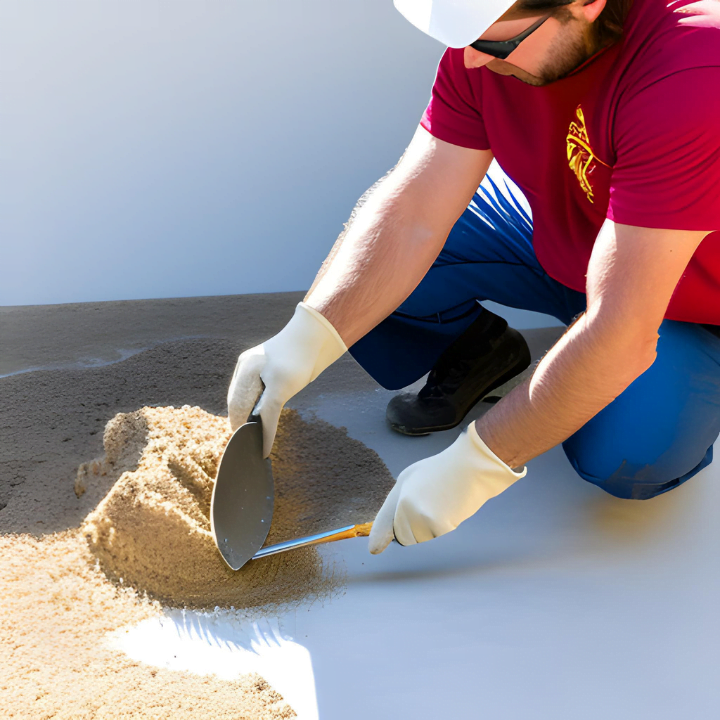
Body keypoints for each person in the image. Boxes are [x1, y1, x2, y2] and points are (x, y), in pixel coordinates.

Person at [227, 0, 720, 555]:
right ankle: (486, 353)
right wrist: (304, 338)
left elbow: (622, 328)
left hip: (688, 301)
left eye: (493, 44)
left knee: (631, 454)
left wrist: (477, 463)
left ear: (587, 4)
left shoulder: (694, 71)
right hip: (571, 232)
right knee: (372, 258)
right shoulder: (484, 49)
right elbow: (411, 211)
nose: (474, 64)